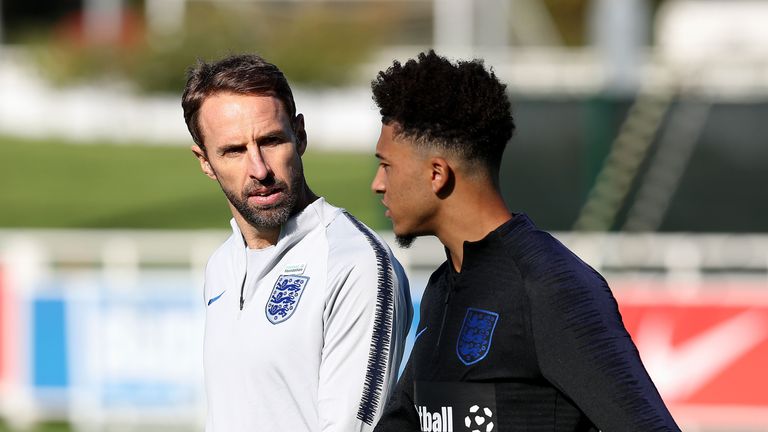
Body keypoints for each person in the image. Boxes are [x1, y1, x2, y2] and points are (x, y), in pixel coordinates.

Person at [369, 51, 680, 431]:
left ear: (437, 174)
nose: (377, 184)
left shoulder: (550, 286)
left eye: (386, 166)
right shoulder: (443, 285)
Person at [181, 53, 412, 432]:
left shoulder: (354, 263)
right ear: (205, 160)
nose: (259, 170)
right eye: (234, 151)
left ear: (299, 135)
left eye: (271, 141)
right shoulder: (221, 264)